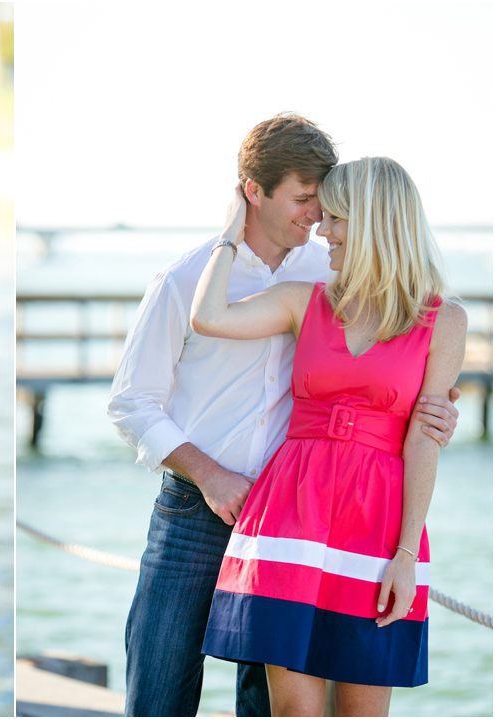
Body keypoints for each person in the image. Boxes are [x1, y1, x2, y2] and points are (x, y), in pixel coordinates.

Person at [107, 114, 459, 717]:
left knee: (266, 705)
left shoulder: (333, 275)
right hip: (196, 507)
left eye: (325, 206)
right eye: (303, 200)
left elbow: (391, 374)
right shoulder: (185, 278)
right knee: (160, 687)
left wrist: (432, 413)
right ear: (253, 192)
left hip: (300, 513)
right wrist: (211, 475)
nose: (317, 220)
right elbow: (132, 402)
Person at [194, 157, 466, 716]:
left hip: (380, 524)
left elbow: (423, 438)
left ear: (374, 222)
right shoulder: (304, 300)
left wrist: (407, 554)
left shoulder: (445, 320)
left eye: (337, 218)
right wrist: (228, 233)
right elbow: (210, 316)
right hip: (290, 514)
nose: (323, 230)